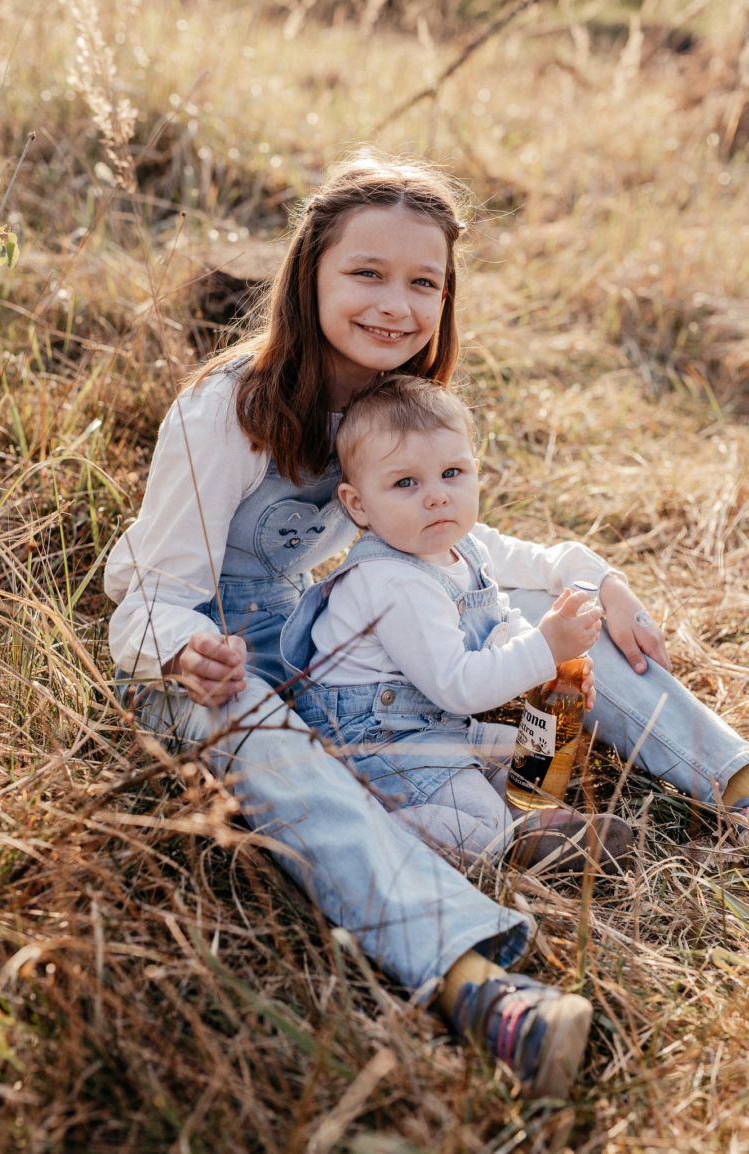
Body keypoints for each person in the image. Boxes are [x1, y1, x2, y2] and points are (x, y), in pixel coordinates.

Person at [105, 153, 749, 1100]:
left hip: (324, 649)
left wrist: (585, 569)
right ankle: (479, 982)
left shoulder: (382, 398)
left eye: (423, 283)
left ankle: (734, 781)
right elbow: (153, 590)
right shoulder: (226, 411)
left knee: (552, 609)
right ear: (309, 274)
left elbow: (456, 537)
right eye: (366, 274)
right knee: (267, 740)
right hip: (202, 661)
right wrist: (181, 649)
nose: (394, 305)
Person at [281, 375, 634, 872]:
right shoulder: (391, 581)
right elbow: (458, 687)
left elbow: (496, 625)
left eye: (452, 473)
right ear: (358, 504)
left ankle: (530, 822)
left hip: (433, 727)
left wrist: (548, 668)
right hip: (375, 741)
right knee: (480, 821)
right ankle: (374, 834)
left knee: (536, 754)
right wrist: (543, 649)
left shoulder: (461, 547)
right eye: (406, 482)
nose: (436, 497)